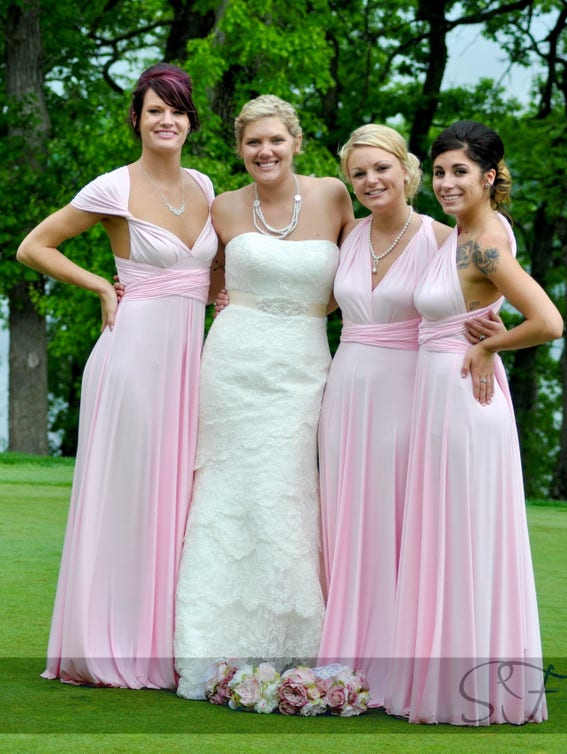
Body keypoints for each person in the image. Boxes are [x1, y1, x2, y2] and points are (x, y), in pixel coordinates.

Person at [17, 63, 219, 689]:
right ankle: (108, 643)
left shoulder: (208, 186)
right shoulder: (112, 187)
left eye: (178, 110)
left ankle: (162, 642)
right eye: (155, 109)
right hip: (133, 355)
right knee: (131, 492)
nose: (167, 120)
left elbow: (207, 273)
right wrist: (99, 281)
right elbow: (35, 246)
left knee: (177, 498)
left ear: (190, 122)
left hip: (191, 360)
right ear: (136, 118)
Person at [315, 123, 502, 708]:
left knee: (395, 521)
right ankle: (347, 653)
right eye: (359, 173)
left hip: (407, 392)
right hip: (344, 388)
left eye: (381, 168)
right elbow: (318, 301)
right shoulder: (348, 235)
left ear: (407, 171)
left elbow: (469, 300)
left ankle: (398, 660)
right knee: (346, 517)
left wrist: (492, 336)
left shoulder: (443, 238)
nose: (371, 180)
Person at [174, 94, 354, 700]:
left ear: (296, 142)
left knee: (286, 488)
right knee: (228, 490)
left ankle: (295, 639)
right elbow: (198, 273)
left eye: (275, 139)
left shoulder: (333, 194)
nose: (265, 151)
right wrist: (135, 285)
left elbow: (364, 270)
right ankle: (209, 645)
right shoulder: (221, 206)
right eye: (253, 142)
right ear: (239, 150)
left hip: (303, 361)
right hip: (233, 363)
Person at [384, 120, 563, 725]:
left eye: (459, 171)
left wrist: (491, 346)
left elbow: (548, 320)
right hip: (438, 393)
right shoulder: (464, 232)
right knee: (445, 533)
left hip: (463, 396)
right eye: (438, 172)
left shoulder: (486, 243)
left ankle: (466, 687)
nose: (445, 182)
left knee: (459, 534)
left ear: (489, 176)